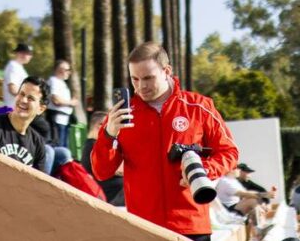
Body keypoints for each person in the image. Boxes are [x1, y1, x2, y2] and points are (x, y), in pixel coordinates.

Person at [92, 42, 239, 241]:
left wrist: (203, 169)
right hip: (143, 228)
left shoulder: (199, 106)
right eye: (135, 79)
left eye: (148, 78)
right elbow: (101, 171)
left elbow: (229, 152)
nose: (141, 86)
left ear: (166, 70)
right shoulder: (120, 115)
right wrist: (109, 135)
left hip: (192, 225)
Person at [0, 76, 49, 173]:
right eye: (21, 94)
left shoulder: (38, 144)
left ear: (41, 109)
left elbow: (36, 184)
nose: (23, 100)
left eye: (30, 98)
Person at [81, 111, 124, 206]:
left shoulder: (90, 145)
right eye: (111, 124)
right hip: (111, 199)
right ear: (101, 125)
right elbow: (119, 170)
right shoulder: (94, 147)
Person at [47, 59, 78, 147]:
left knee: (64, 147)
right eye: (67, 70)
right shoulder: (53, 81)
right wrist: (71, 102)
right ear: (60, 70)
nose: (69, 73)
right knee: (58, 147)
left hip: (64, 120)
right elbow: (56, 100)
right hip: (57, 120)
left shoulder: (62, 83)